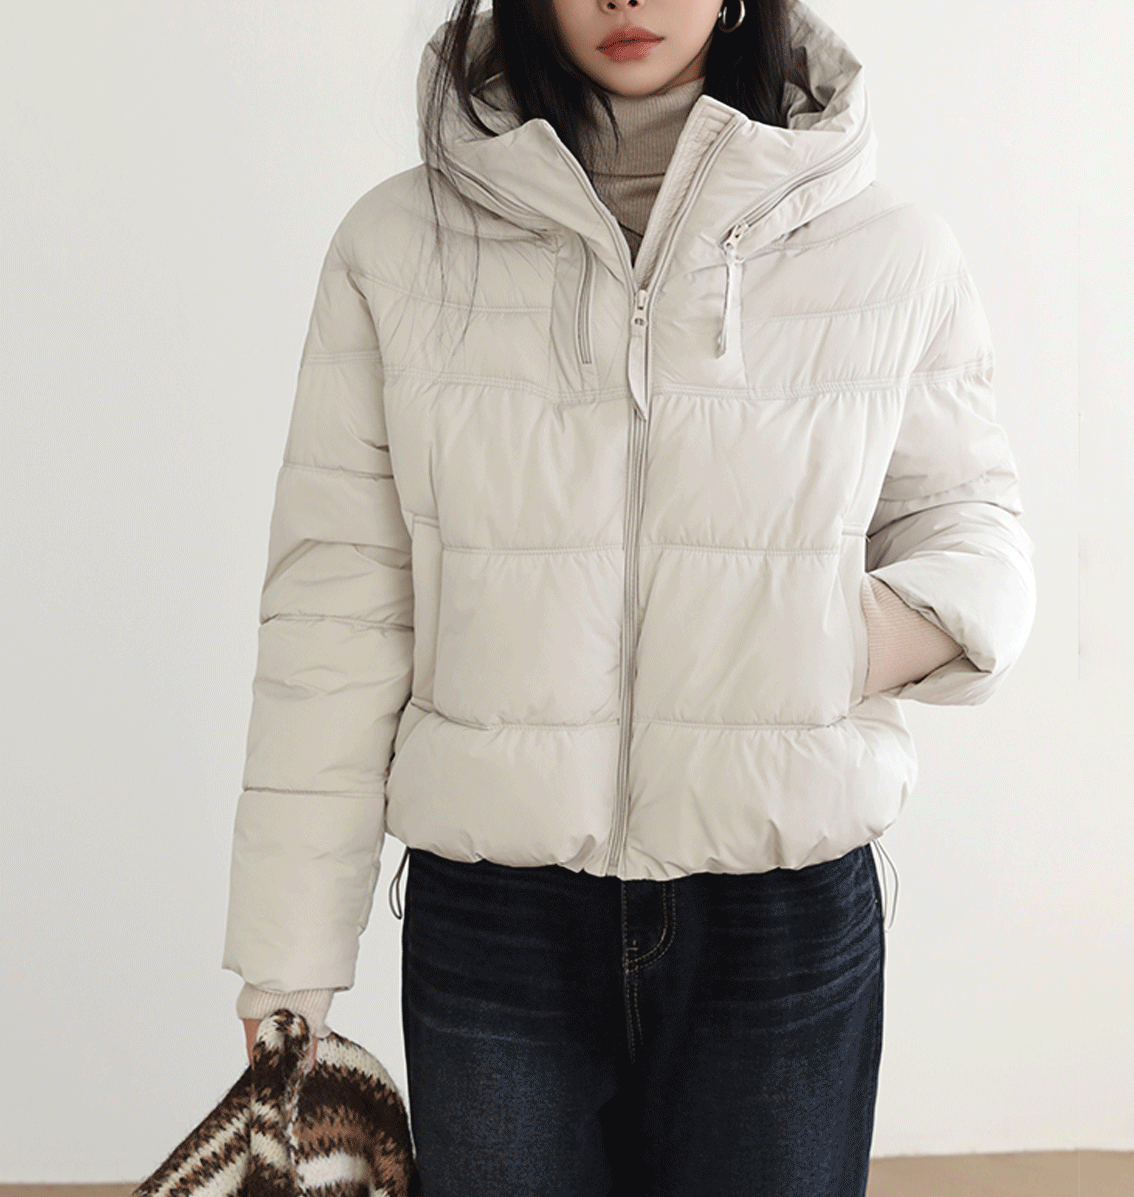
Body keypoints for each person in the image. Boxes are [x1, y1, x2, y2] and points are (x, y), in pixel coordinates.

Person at [222, 0, 1036, 1192]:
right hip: (496, 925)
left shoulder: (888, 252)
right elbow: (337, 612)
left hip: (780, 923)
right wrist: (287, 959)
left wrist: (840, 642)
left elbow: (975, 535)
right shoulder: (395, 249)